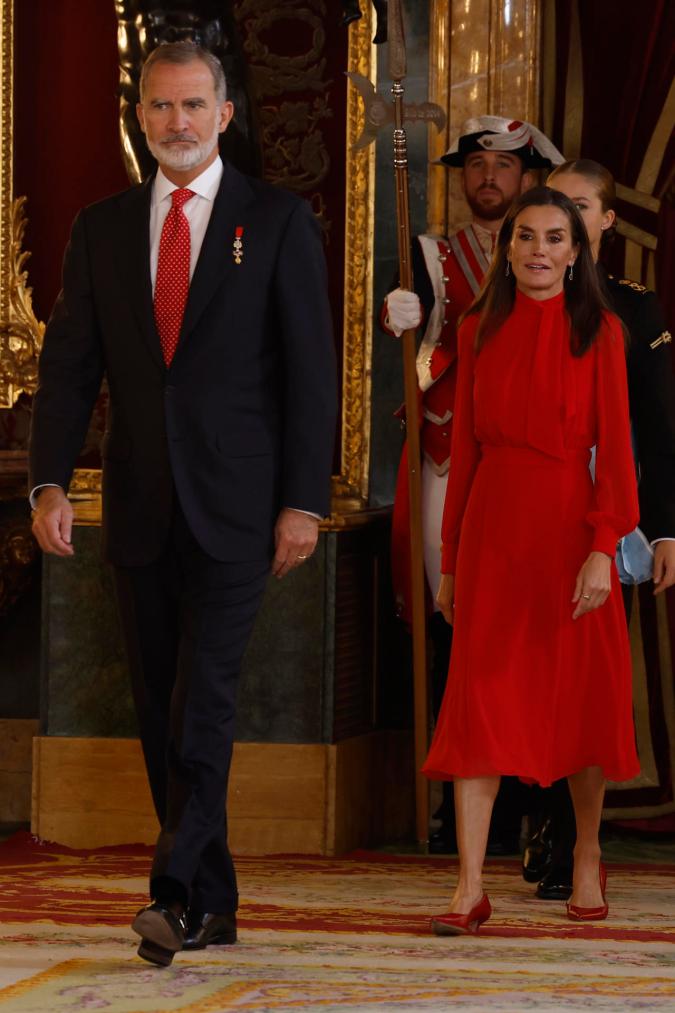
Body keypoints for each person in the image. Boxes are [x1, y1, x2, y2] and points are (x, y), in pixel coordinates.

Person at [29, 41, 337, 966]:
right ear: (142, 116)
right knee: (164, 708)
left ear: (225, 112)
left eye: (193, 105)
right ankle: (213, 899)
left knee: (203, 700)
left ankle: (170, 895)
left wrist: (302, 502)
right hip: (139, 506)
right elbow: (71, 364)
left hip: (242, 511)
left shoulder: (275, 221)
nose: (176, 122)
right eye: (160, 107)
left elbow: (310, 375)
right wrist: (49, 480)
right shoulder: (104, 226)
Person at [422, 186, 640, 935]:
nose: (538, 251)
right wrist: (449, 561)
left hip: (569, 530)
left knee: (577, 695)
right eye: (525, 238)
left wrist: (601, 549)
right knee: (479, 700)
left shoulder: (600, 332)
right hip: (491, 531)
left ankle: (584, 854)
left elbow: (615, 453)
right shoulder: (478, 327)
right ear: (506, 249)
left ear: (575, 252)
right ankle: (469, 886)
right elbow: (465, 454)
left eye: (554, 238)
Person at [384, 117, 564, 854]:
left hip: (531, 467)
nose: (487, 177)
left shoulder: (554, 252)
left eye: (502, 165)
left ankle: (534, 802)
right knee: (454, 618)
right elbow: (421, 350)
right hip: (449, 455)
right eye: (476, 165)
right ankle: (455, 805)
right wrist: (409, 317)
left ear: (529, 178)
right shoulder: (431, 253)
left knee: (534, 632)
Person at [521, 159, 675, 901]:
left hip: (606, 517)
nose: (566, 218)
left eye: (579, 207)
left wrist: (666, 526)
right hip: (526, 518)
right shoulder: (515, 300)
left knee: (583, 680)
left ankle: (575, 838)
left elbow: (658, 427)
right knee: (532, 672)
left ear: (604, 222)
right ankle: (546, 828)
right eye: (553, 204)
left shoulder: (630, 310)